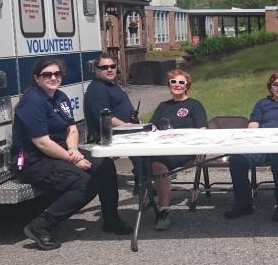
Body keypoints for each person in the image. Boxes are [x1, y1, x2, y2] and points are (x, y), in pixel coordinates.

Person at [11, 57, 131, 251]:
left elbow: (72, 129)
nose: (53, 77)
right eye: (47, 74)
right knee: (85, 183)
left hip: (61, 151)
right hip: (34, 160)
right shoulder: (32, 102)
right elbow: (42, 142)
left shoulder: (60, 97)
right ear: (37, 78)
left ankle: (111, 219)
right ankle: (40, 225)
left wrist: (74, 151)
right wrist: (73, 160)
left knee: (105, 165)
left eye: (57, 74)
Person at [224, 71, 278, 222]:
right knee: (237, 159)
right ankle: (243, 203)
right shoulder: (262, 103)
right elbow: (253, 124)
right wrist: (251, 139)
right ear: (270, 87)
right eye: (275, 84)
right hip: (262, 144)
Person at [147, 69, 208, 230]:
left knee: (157, 164)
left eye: (181, 82)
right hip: (162, 147)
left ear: (187, 86)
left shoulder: (194, 105)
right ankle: (153, 192)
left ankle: (164, 210)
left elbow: (202, 130)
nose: (177, 85)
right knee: (144, 160)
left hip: (186, 149)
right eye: (173, 82)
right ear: (169, 85)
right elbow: (152, 126)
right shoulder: (163, 106)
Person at [83, 53, 142, 193]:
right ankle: (143, 184)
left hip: (121, 131)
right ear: (96, 70)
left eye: (112, 66)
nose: (109, 69)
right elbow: (104, 116)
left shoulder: (113, 84)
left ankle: (144, 178)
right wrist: (126, 126)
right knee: (142, 145)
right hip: (107, 135)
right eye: (104, 67)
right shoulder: (97, 89)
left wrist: (135, 121)